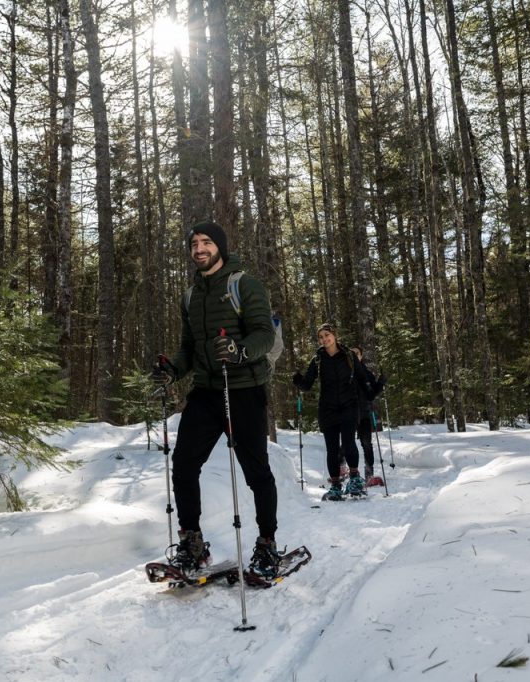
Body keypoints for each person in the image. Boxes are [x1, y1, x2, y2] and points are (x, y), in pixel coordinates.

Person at [151, 220, 282, 578]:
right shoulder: (191, 296)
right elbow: (188, 348)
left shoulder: (245, 285)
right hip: (206, 391)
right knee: (184, 464)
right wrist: (171, 369)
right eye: (194, 243)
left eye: (206, 242)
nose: (199, 249)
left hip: (243, 390)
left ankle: (267, 544)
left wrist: (240, 351)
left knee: (256, 473)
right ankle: (192, 543)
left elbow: (263, 335)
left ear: (220, 247)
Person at [292, 323, 373, 500]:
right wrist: (296, 378)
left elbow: (362, 377)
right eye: (321, 337)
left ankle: (355, 479)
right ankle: (336, 486)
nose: (324, 339)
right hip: (327, 409)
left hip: (349, 406)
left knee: (349, 442)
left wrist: (373, 389)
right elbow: (307, 385)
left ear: (334, 336)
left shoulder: (349, 356)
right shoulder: (318, 359)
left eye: (327, 335)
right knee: (332, 449)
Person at [349, 346, 387, 482]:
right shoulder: (346, 371)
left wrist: (381, 383)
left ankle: (369, 474)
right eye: (352, 353)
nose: (354, 355)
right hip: (349, 413)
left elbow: (373, 392)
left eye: (357, 353)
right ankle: (343, 470)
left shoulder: (366, 373)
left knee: (366, 443)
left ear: (361, 356)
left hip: (364, 412)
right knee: (347, 443)